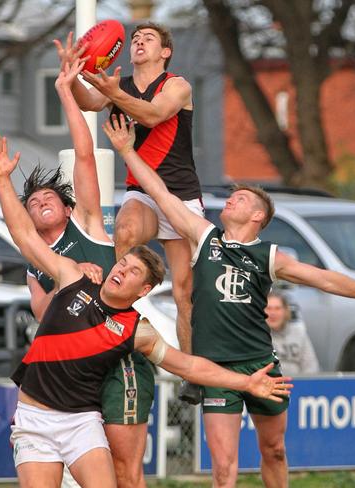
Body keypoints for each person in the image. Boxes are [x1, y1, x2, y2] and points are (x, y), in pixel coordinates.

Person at [103, 114, 355, 488]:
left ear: (258, 215)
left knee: (275, 449)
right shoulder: (205, 237)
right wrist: (127, 151)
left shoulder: (268, 255)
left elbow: (325, 278)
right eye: (232, 196)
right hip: (216, 368)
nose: (231, 200)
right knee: (223, 469)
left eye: (241, 198)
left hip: (260, 364)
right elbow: (162, 194)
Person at [0, 134, 293, 488]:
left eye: (133, 272)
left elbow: (189, 365)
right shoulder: (71, 277)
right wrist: (2, 179)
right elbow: (24, 236)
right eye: (123, 264)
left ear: (143, 290)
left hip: (82, 422)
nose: (121, 271)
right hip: (35, 417)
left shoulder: (136, 330)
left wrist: (247, 382)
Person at [20, 59, 155, 488]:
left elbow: (83, 152)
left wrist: (65, 89)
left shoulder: (88, 223)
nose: (40, 201)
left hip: (119, 356)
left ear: (66, 206)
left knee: (124, 472)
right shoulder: (36, 262)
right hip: (71, 375)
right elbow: (44, 318)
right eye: (32, 201)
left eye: (48, 196)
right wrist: (71, 275)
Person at [55, 23, 204, 404]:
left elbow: (154, 115)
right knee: (124, 231)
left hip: (180, 197)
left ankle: (192, 371)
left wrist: (112, 92)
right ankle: (121, 323)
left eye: (149, 38)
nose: (139, 41)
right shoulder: (119, 86)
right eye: (135, 38)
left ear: (165, 52)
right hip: (144, 193)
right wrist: (71, 75)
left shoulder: (177, 85)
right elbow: (89, 102)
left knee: (185, 292)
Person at [265, 291, 319, 375]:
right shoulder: (255, 335)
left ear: (286, 311)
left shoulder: (299, 332)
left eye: (277, 308)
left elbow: (311, 367)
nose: (273, 313)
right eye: (268, 308)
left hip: (298, 383)